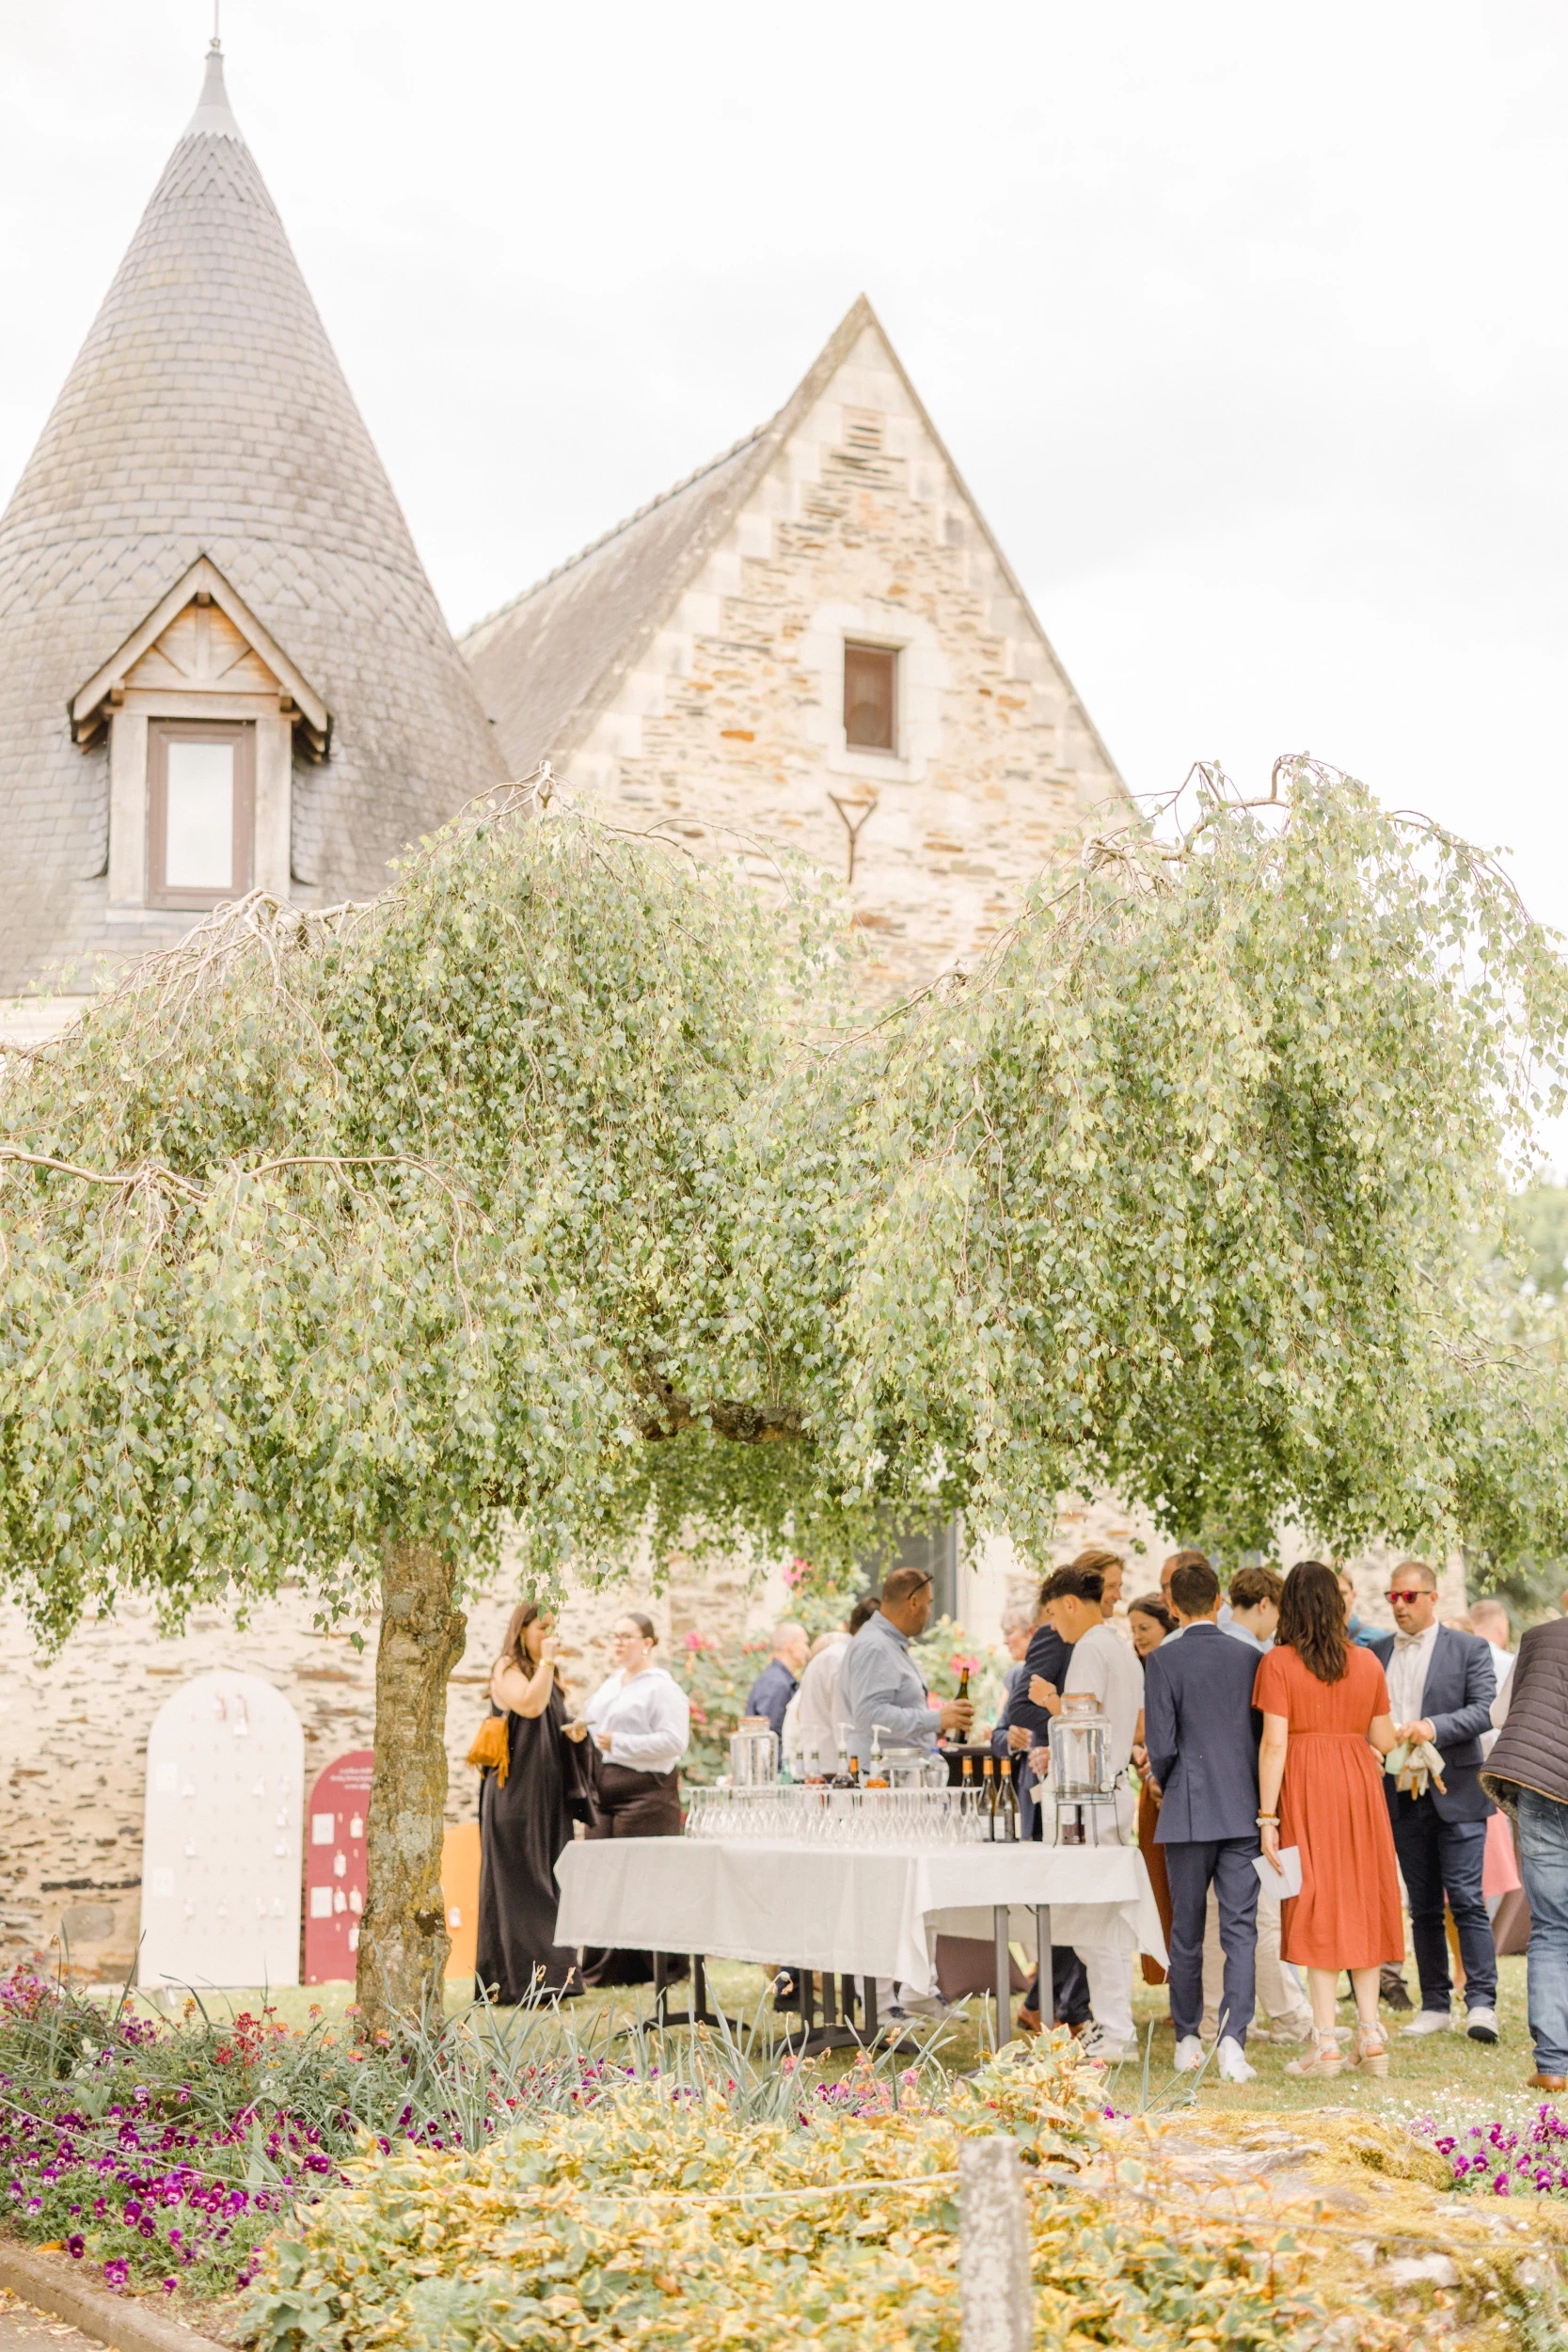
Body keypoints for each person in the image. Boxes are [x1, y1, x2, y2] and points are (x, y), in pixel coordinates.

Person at [1255, 1560, 1403, 2078]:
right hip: (1359, 1786)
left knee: (1314, 1903)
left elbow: (1274, 1743)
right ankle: (1370, 2033)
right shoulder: (1367, 1663)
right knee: (1360, 1899)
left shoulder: (1278, 1663)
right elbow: (1384, 1740)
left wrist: (1266, 1817)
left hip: (1304, 1787)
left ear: (1289, 1607)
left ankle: (1326, 2044)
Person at [1364, 1561, 1498, 2042]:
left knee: (1465, 1900)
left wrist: (1432, 1726)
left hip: (1456, 1792)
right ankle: (1436, 2004)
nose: (1400, 1606)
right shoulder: (1376, 1652)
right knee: (1420, 1906)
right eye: (1393, 1597)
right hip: (1399, 1793)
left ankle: (1481, 2004)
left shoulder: (1469, 1648)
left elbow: (1484, 1710)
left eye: (1409, 1596)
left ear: (1433, 1598)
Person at [1142, 1556, 1261, 2082]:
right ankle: (1233, 2041)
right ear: (1219, 1602)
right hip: (1241, 1808)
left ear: (1171, 1607)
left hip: (1188, 1810)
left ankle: (1188, 2036)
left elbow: (1161, 1745)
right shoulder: (1250, 1656)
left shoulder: (1163, 1662)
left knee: (1186, 1931)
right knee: (1240, 1930)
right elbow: (1260, 1738)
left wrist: (1166, 1782)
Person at [1027, 1557, 1144, 2059]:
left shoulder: (1091, 1650)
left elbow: (1082, 1727)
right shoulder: (1115, 1647)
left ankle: (1116, 2030)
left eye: (1054, 1613)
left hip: (1091, 1798)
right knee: (1099, 1919)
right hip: (1107, 1792)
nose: (1054, 1625)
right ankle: (1112, 2025)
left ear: (1072, 1604)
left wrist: (1050, 1701)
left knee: (1094, 1919)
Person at [474, 1601, 592, 2004]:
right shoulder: (506, 1668)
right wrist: (546, 1664)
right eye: (542, 1627)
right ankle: (519, 1981)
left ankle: (557, 1977)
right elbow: (528, 1705)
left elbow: (549, 1722)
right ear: (521, 1629)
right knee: (522, 1884)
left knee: (552, 1878)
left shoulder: (550, 1674)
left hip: (547, 1794)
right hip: (514, 1795)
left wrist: (574, 1735)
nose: (549, 1636)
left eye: (553, 1628)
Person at [566, 1613, 691, 1985]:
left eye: (626, 1636)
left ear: (648, 1643)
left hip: (646, 1794)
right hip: (605, 1793)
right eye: (614, 1636)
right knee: (605, 1877)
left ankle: (663, 1966)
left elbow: (674, 1742)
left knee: (645, 1878)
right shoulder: (610, 1684)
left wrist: (619, 1742)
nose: (618, 1643)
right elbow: (595, 1724)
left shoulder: (662, 1688)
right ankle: (608, 1968)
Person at [1481, 1611, 1568, 2090]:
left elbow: (1499, 1715)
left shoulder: (1536, 1638)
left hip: (1539, 1785)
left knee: (1552, 1928)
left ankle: (1554, 2066)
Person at [837, 1566, 973, 1762]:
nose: (929, 1613)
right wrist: (935, 1719)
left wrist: (934, 1727)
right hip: (881, 1781)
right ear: (914, 1602)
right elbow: (870, 1716)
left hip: (896, 1776)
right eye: (928, 1604)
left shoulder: (888, 1644)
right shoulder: (875, 1646)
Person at [1127, 1592, 1177, 1990]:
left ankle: (1186, 1983)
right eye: (1134, 1630)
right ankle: (1165, 1975)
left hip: (1174, 1785)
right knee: (1157, 1887)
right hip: (1149, 1789)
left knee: (1181, 1891)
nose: (1139, 1637)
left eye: (1145, 1628)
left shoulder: (1172, 1667)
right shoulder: (1134, 1671)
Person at [788, 1596, 881, 1770]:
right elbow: (844, 1727)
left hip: (821, 1769)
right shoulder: (843, 1661)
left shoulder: (834, 1656)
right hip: (833, 1773)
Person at [745, 1621, 809, 1743]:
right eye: (805, 1644)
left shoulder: (779, 1679)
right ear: (791, 1644)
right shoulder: (776, 1682)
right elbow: (771, 1738)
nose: (807, 1651)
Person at [1224, 1565, 1283, 1653]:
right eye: (1280, 1611)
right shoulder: (1255, 1654)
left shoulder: (1213, 1638)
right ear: (1264, 1605)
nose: (1279, 1621)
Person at [1336, 1568, 1382, 1649]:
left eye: (1342, 1593)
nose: (1337, 1599)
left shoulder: (1377, 1639)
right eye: (1331, 1594)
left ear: (1353, 1595)